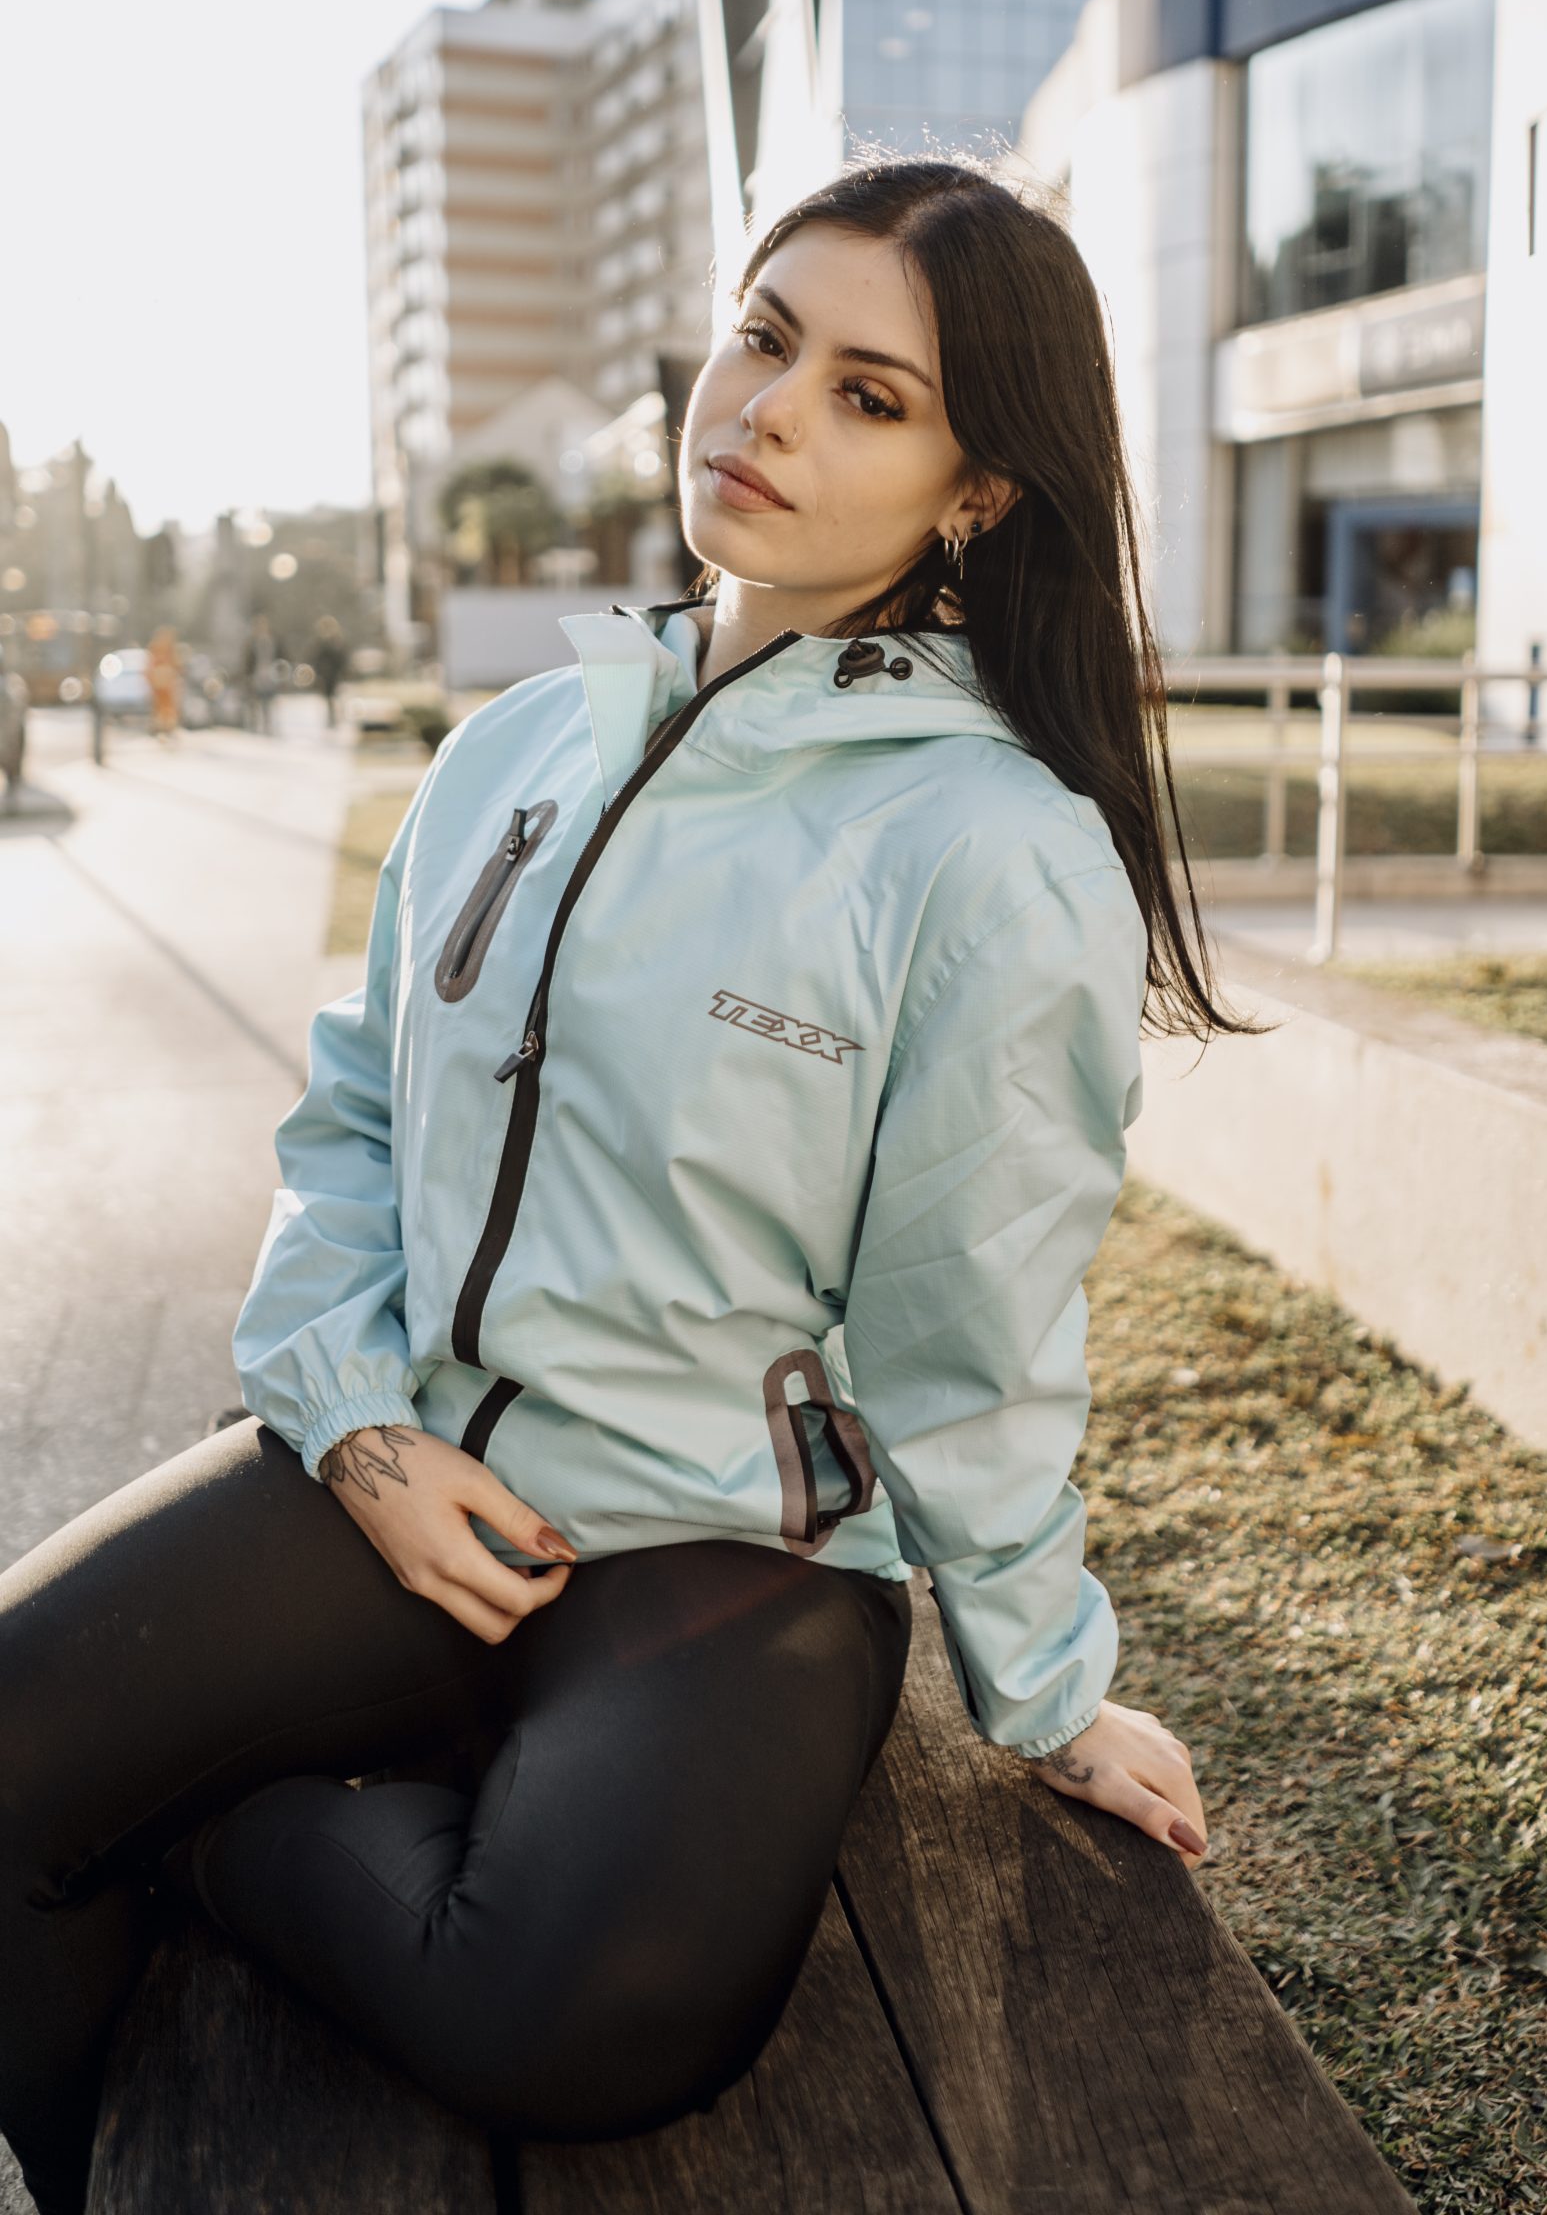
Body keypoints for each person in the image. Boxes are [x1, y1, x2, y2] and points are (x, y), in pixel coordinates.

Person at [0, 159, 1246, 2214]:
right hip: (411, 1467)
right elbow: (354, 1119)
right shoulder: (518, 746)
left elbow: (972, 1327)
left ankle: (191, 1839)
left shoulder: (993, 851)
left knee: (574, 2016)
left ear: (977, 492)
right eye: (764, 337)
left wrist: (1045, 1689)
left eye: (868, 395)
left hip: (728, 1548)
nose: (767, 411)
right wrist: (354, 1422)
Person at [144, 625, 181, 740]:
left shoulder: (166, 650)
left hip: (163, 683)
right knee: (161, 706)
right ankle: (162, 726)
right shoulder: (160, 650)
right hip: (161, 682)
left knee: (164, 706)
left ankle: (165, 726)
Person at [311, 614, 348, 726]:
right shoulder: (320, 643)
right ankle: (331, 718)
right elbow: (316, 659)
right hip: (325, 675)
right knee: (329, 699)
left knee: (336, 698)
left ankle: (336, 717)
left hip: (336, 675)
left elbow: (342, 658)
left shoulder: (337, 642)